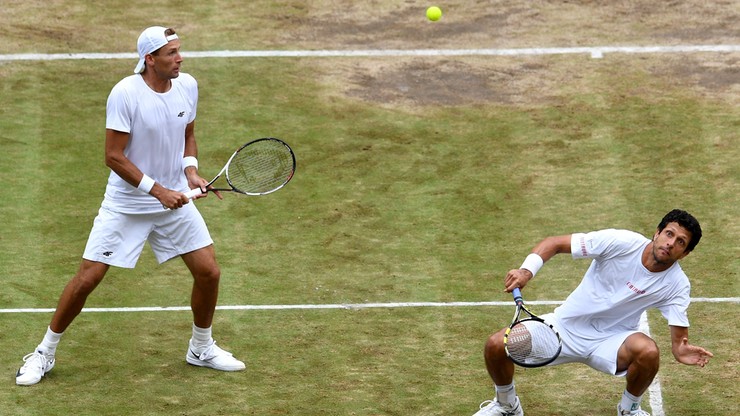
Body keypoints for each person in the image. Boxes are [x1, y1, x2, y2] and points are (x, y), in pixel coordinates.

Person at [16, 26, 245, 386]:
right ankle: (43, 352)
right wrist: (158, 192)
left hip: (174, 199)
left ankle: (201, 348)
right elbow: (113, 156)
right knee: (88, 278)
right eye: (171, 53)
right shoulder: (125, 94)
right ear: (149, 59)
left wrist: (190, 171)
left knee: (208, 272)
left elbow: (187, 135)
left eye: (179, 51)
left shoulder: (187, 85)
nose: (180, 58)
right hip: (127, 204)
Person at [473, 209, 713, 416]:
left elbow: (679, 341)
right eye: (669, 234)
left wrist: (682, 351)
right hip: (562, 329)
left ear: (685, 253)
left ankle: (629, 409)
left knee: (648, 351)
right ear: (657, 232)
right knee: (496, 345)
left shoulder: (678, 284)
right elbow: (555, 243)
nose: (671, 243)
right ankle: (507, 406)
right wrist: (526, 271)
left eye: (681, 242)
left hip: (612, 342)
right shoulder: (621, 242)